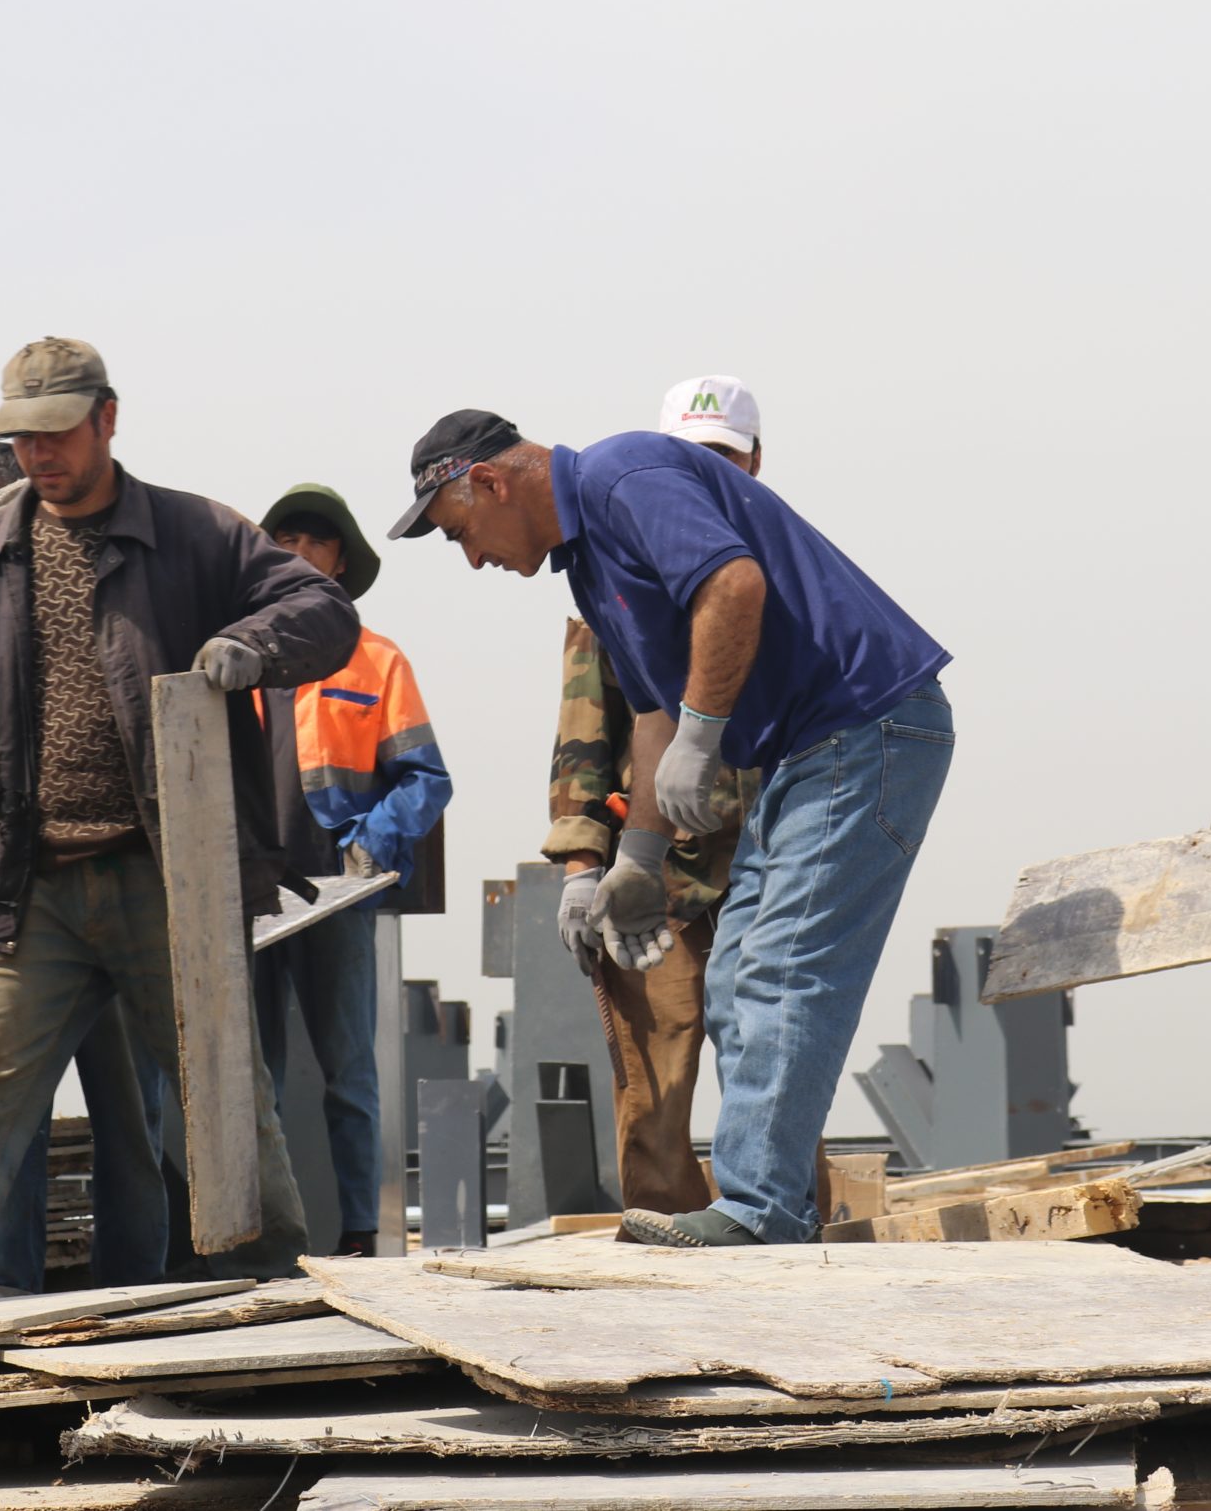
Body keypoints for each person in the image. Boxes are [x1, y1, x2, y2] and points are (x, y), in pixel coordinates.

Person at [0, 337, 359, 1314]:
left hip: (165, 881)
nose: (39, 453)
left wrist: (251, 644)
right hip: (26, 888)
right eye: (22, 437)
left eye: (57, 432)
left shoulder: (195, 535)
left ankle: (265, 1290)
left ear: (107, 419)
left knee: (220, 1088)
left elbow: (321, 606)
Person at [391, 408, 952, 1249]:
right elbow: (652, 710)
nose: (472, 557)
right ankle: (768, 1206)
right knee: (733, 975)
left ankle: (761, 1212)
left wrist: (703, 732)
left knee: (781, 970)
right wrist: (636, 860)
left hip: (865, 725)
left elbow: (734, 585)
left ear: (490, 482)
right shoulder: (589, 565)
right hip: (808, 752)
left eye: (459, 531)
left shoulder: (621, 475)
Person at [0, 441, 170, 1296]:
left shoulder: (104, 584)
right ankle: (8, 1292)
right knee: (3, 1114)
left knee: (130, 1119)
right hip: (18, 907)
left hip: (118, 886)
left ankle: (136, 1293)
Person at [541, 379, 760, 1222]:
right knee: (655, 1084)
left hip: (765, 865)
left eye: (726, 457)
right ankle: (668, 1239)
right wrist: (581, 868)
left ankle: (786, 1235)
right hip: (655, 878)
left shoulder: (775, 572)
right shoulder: (612, 580)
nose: (711, 472)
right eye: (695, 457)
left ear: (756, 463)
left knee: (774, 1056)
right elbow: (583, 736)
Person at [252, 483, 451, 1259]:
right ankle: (261, 1237)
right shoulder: (235, 657)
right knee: (251, 1076)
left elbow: (426, 778)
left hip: (335, 893)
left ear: (340, 562)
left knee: (349, 1071)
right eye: (286, 538)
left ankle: (363, 1233)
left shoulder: (376, 658)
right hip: (247, 894)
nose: (299, 550)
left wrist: (371, 844)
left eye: (316, 539)